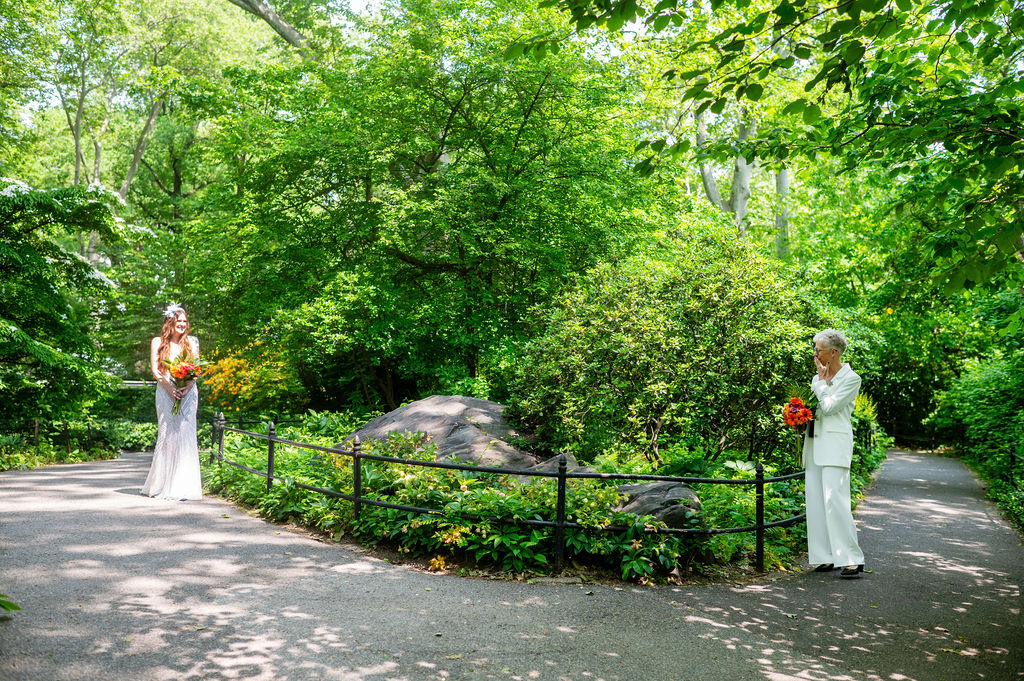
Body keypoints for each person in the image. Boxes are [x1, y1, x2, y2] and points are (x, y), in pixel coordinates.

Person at [802, 329, 865, 578]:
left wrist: (821, 382)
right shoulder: (817, 378)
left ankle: (851, 558)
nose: (815, 353)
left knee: (835, 501)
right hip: (815, 443)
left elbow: (829, 407)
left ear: (833, 352)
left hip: (836, 445)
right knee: (816, 501)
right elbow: (816, 410)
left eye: (818, 349)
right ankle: (824, 556)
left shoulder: (851, 378)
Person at [141, 303, 202, 501]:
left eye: (185, 321)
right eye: (179, 321)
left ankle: (184, 486)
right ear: (170, 322)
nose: (183, 325)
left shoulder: (192, 342)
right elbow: (156, 370)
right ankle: (162, 485)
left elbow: (196, 370)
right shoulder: (157, 342)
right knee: (167, 435)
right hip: (166, 392)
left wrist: (188, 386)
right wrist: (170, 389)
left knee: (185, 434)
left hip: (188, 393)